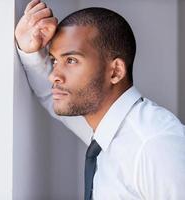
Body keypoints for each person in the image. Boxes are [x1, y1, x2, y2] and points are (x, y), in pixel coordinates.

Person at [15, 0, 185, 199]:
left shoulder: (154, 145)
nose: (54, 76)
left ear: (115, 71)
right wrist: (30, 50)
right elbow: (49, 93)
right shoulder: (105, 127)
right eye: (55, 61)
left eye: (71, 60)